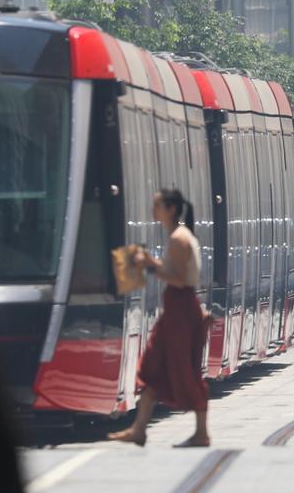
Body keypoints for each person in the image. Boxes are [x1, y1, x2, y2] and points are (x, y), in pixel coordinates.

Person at [110, 189, 211, 447]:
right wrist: (150, 262)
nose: (153, 210)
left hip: (181, 310)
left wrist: (149, 266)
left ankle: (201, 433)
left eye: (156, 205)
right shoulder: (178, 236)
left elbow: (176, 279)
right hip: (177, 309)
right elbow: (173, 272)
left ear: (170, 209)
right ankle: (139, 429)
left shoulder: (179, 239)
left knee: (184, 370)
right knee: (153, 368)